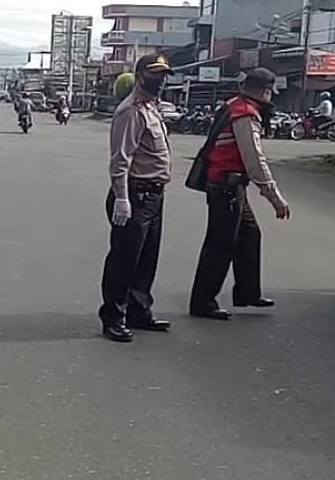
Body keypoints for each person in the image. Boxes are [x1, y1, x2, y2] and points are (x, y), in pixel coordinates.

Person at [189, 68, 291, 320]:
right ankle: (203, 302)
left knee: (249, 235)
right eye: (270, 95)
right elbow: (254, 160)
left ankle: (247, 292)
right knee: (220, 246)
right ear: (266, 92)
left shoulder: (234, 104)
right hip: (227, 188)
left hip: (230, 187)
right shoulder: (245, 115)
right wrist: (274, 197)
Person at [98, 54, 174, 343]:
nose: (160, 80)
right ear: (141, 75)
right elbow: (120, 160)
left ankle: (139, 310)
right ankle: (113, 317)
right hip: (134, 194)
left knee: (146, 259)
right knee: (124, 260)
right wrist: (121, 197)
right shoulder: (130, 111)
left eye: (164, 74)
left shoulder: (153, 109)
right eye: (155, 74)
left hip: (154, 194)